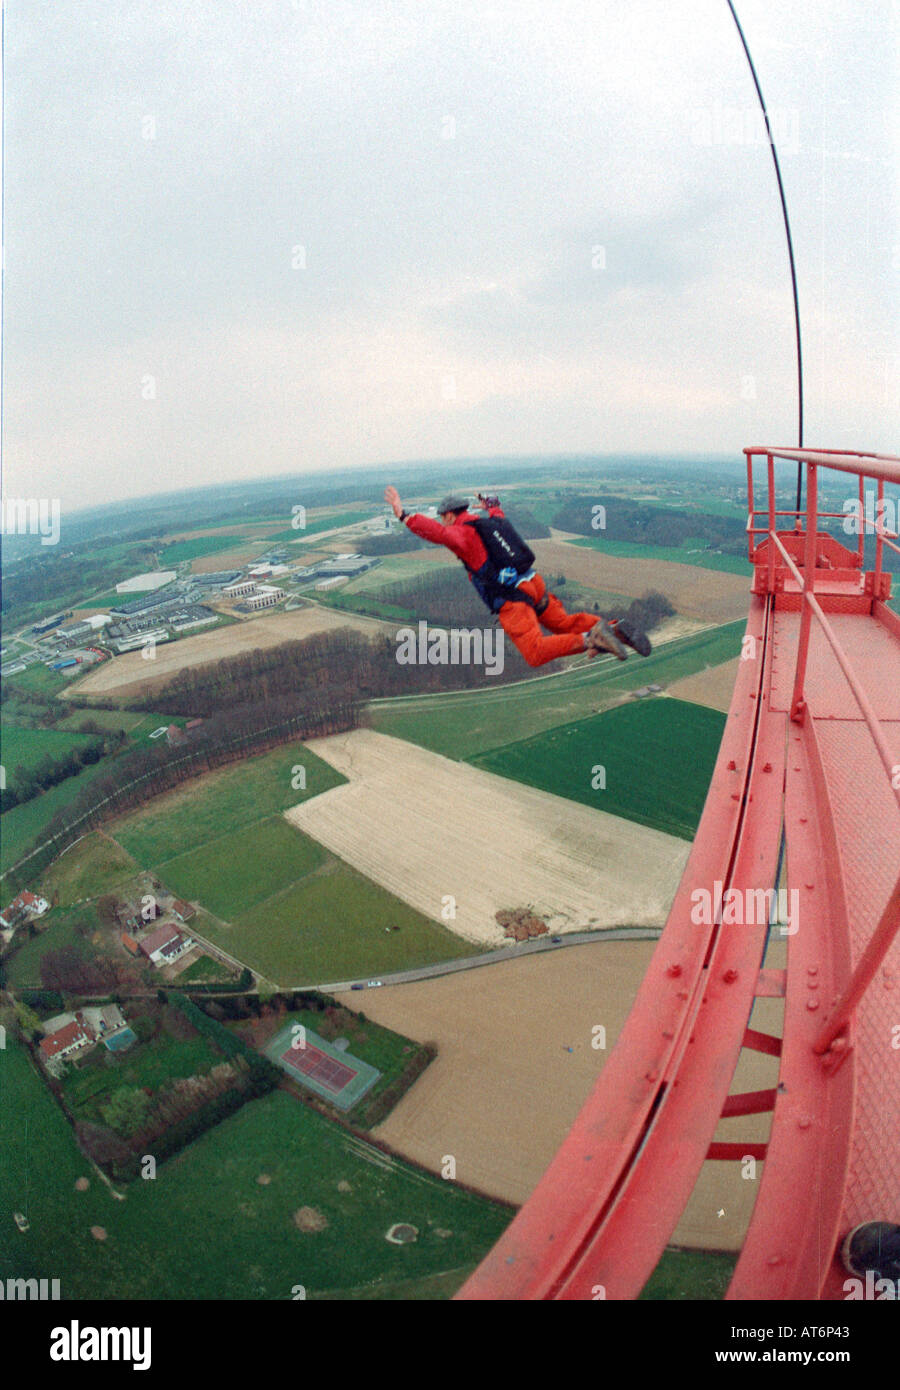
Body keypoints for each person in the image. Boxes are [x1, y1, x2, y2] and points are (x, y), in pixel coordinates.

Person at [383, 486, 651, 668]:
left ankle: (591, 639)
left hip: (513, 599)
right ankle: (615, 629)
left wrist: (404, 516)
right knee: (564, 623)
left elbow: (439, 534)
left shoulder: (461, 532)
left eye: (443, 518)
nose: (442, 522)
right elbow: (498, 511)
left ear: (450, 515)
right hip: (534, 585)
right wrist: (489, 502)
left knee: (534, 652)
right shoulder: (488, 522)